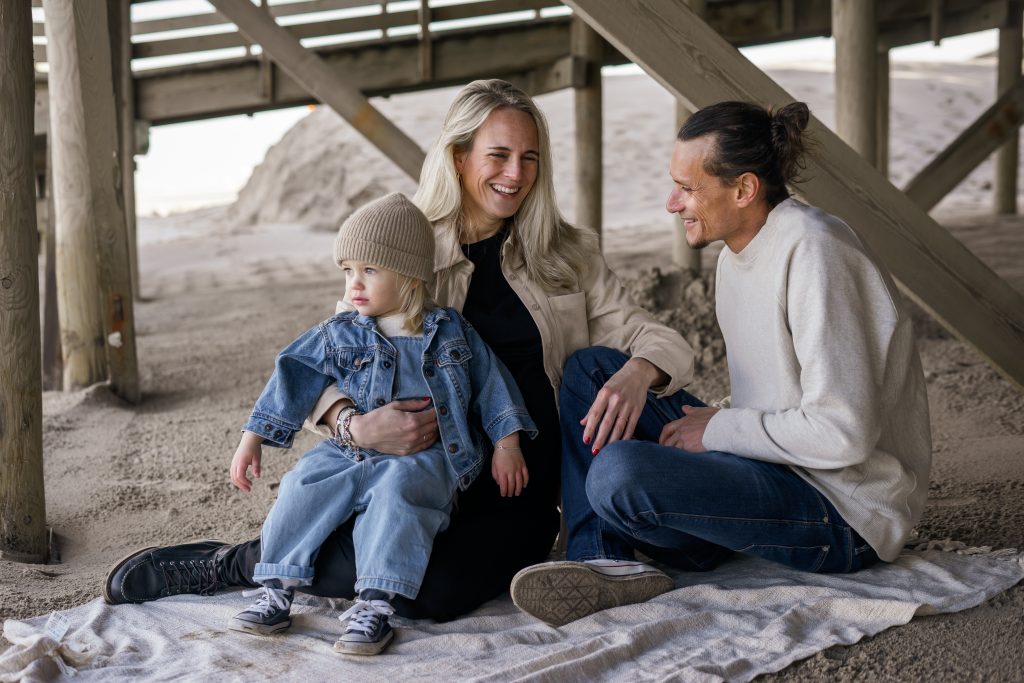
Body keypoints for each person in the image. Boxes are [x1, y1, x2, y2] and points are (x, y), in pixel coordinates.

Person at [102, 79, 695, 622]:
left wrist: (639, 371)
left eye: (529, 157)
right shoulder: (405, 247)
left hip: (521, 485)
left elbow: (656, 335)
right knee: (363, 538)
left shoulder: (569, 255)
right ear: (459, 157)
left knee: (432, 595)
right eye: (498, 155)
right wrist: (355, 427)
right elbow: (328, 355)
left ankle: (265, 560)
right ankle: (233, 564)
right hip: (413, 471)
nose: (516, 174)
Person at [509, 100, 932, 627]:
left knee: (618, 473)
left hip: (841, 514)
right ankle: (601, 560)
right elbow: (775, 398)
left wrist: (717, 428)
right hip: (772, 473)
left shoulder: (817, 252)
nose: (672, 203)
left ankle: (646, 542)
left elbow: (843, 434)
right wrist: (702, 417)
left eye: (688, 188)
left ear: (744, 189)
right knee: (591, 372)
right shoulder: (735, 258)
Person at [223, 192, 535, 655]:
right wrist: (253, 439)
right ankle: (276, 588)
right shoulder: (340, 330)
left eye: (370, 270)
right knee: (302, 485)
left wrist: (508, 445)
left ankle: (374, 604)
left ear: (409, 274)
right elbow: (293, 374)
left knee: (397, 499)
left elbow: (492, 385)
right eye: (348, 270)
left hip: (425, 457)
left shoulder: (449, 330)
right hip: (347, 449)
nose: (354, 284)